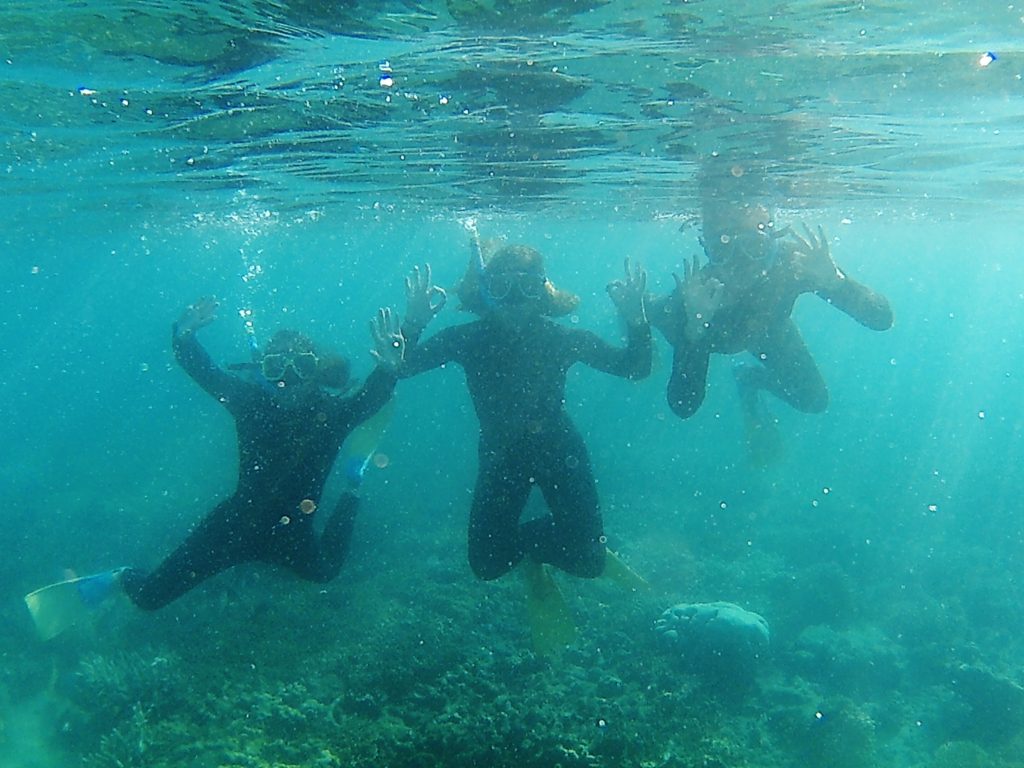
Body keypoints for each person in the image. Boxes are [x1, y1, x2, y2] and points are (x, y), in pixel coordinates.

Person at [118, 296, 407, 610]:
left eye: (301, 366)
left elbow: (371, 399)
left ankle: (352, 487)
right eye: (276, 368)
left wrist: (389, 369)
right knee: (147, 598)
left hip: (291, 534)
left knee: (326, 572)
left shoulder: (331, 414)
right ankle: (120, 577)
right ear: (264, 371)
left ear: (316, 370)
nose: (289, 380)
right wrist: (183, 336)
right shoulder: (250, 403)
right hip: (234, 527)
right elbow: (205, 372)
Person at [399, 240, 650, 585]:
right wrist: (412, 323)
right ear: (488, 291)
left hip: (558, 450)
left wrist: (637, 321)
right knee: (486, 565)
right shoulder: (468, 338)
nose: (515, 299)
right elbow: (404, 366)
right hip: (502, 455)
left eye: (528, 287)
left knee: (590, 563)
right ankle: (552, 542)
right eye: (502, 286)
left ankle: (545, 544)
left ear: (542, 292)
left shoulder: (560, 338)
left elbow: (635, 368)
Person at [649, 197, 893, 459]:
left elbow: (881, 319)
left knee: (814, 400)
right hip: (741, 334)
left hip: (770, 331)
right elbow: (684, 406)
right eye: (723, 248)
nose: (740, 262)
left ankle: (749, 378)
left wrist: (836, 282)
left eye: (754, 245)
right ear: (706, 248)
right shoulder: (693, 296)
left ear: (772, 241)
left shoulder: (794, 263)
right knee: (648, 310)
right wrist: (695, 327)